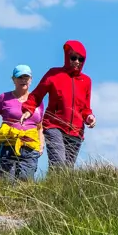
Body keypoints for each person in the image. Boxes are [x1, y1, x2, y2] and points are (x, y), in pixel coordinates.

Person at [23, 41, 93, 169]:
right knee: (59, 165)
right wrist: (28, 109)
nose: (77, 61)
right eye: (73, 57)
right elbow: (36, 95)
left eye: (81, 59)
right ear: (67, 57)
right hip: (54, 126)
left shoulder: (86, 81)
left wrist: (89, 117)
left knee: (67, 170)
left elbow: (85, 108)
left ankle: (57, 188)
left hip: (76, 132)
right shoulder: (54, 74)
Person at [0, 65, 45, 181]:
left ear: (31, 80)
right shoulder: (4, 98)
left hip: (30, 148)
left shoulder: (38, 101)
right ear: (13, 79)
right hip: (7, 146)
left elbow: (39, 126)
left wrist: (41, 145)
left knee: (25, 184)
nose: (23, 80)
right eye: (20, 77)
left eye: (26, 77)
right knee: (5, 183)